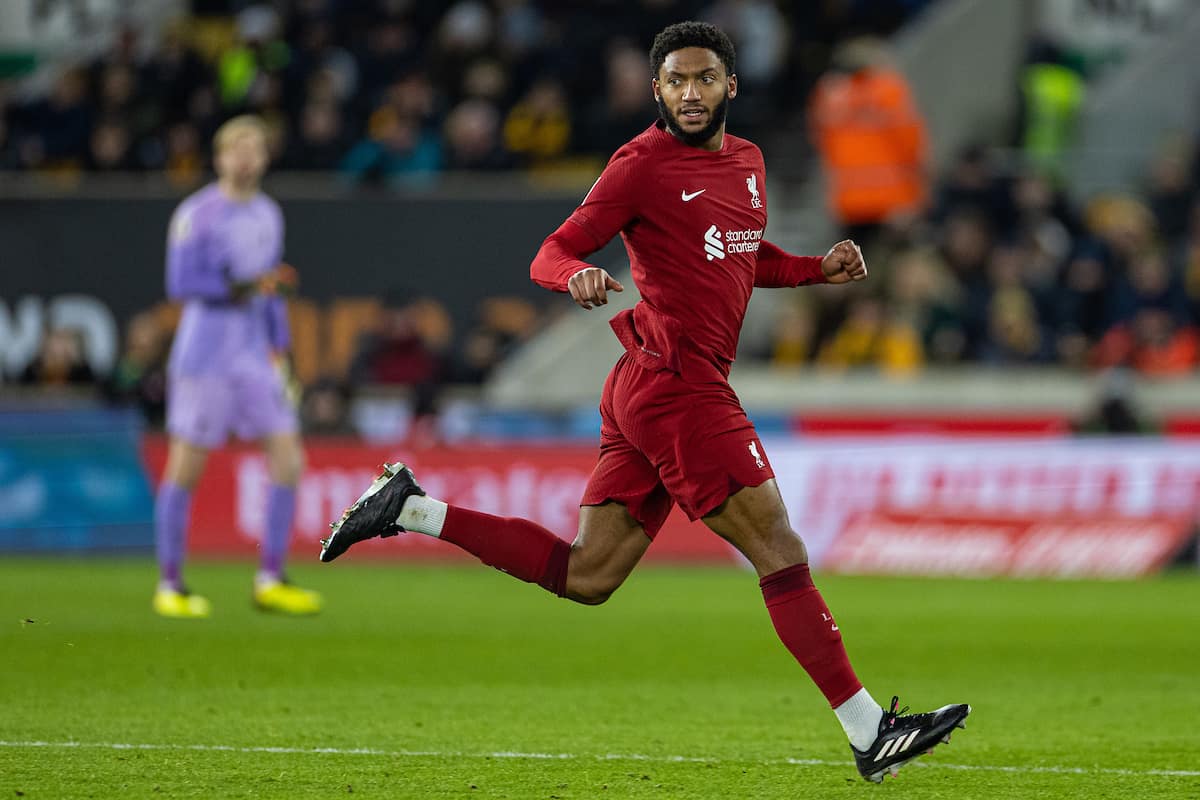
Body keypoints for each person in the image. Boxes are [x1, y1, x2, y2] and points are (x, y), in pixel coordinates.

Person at [319, 22, 968, 783]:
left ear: (731, 85)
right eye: (674, 82)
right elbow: (550, 252)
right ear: (657, 90)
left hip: (648, 385)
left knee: (589, 576)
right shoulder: (639, 165)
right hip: (678, 384)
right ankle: (867, 731)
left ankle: (409, 510)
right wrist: (576, 278)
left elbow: (741, 254)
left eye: (703, 79)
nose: (689, 93)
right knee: (779, 551)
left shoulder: (750, 163)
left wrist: (814, 270)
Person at [153, 114, 321, 619]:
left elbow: (269, 289)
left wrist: (281, 347)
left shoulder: (269, 214)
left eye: (256, 148)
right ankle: (171, 584)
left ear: (266, 158)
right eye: (237, 148)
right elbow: (181, 284)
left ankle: (270, 578)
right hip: (205, 354)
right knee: (187, 464)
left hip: (253, 355)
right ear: (220, 157)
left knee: (289, 459)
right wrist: (245, 286)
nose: (247, 157)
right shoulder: (197, 213)